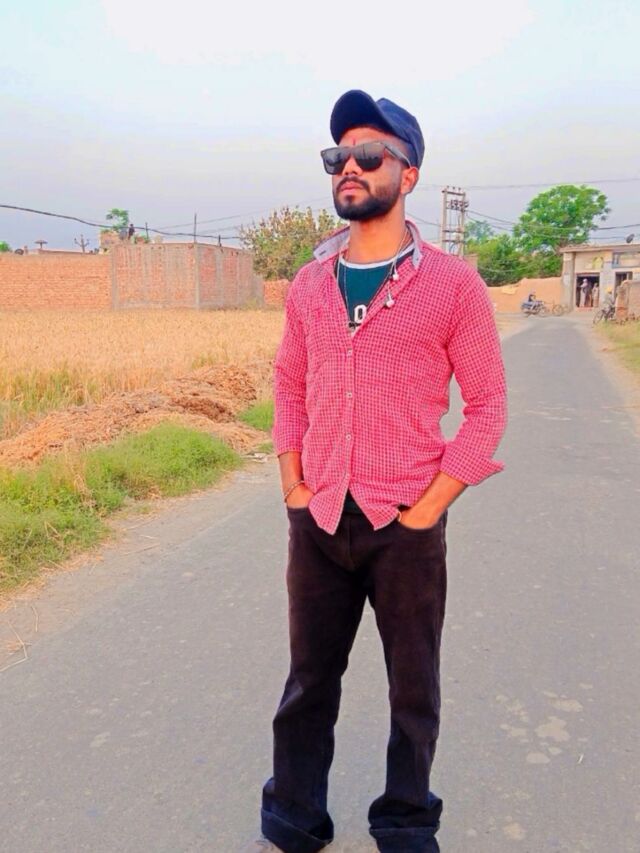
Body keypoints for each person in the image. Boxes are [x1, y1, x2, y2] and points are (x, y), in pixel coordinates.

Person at [244, 90, 507, 853]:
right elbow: (288, 385)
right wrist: (293, 485)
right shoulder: (309, 284)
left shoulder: (452, 285)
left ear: (409, 173)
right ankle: (294, 816)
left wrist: (429, 508)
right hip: (320, 517)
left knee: (412, 689)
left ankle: (404, 820)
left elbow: (488, 406)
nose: (349, 167)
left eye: (368, 154)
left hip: (405, 526)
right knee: (307, 683)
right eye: (338, 156)